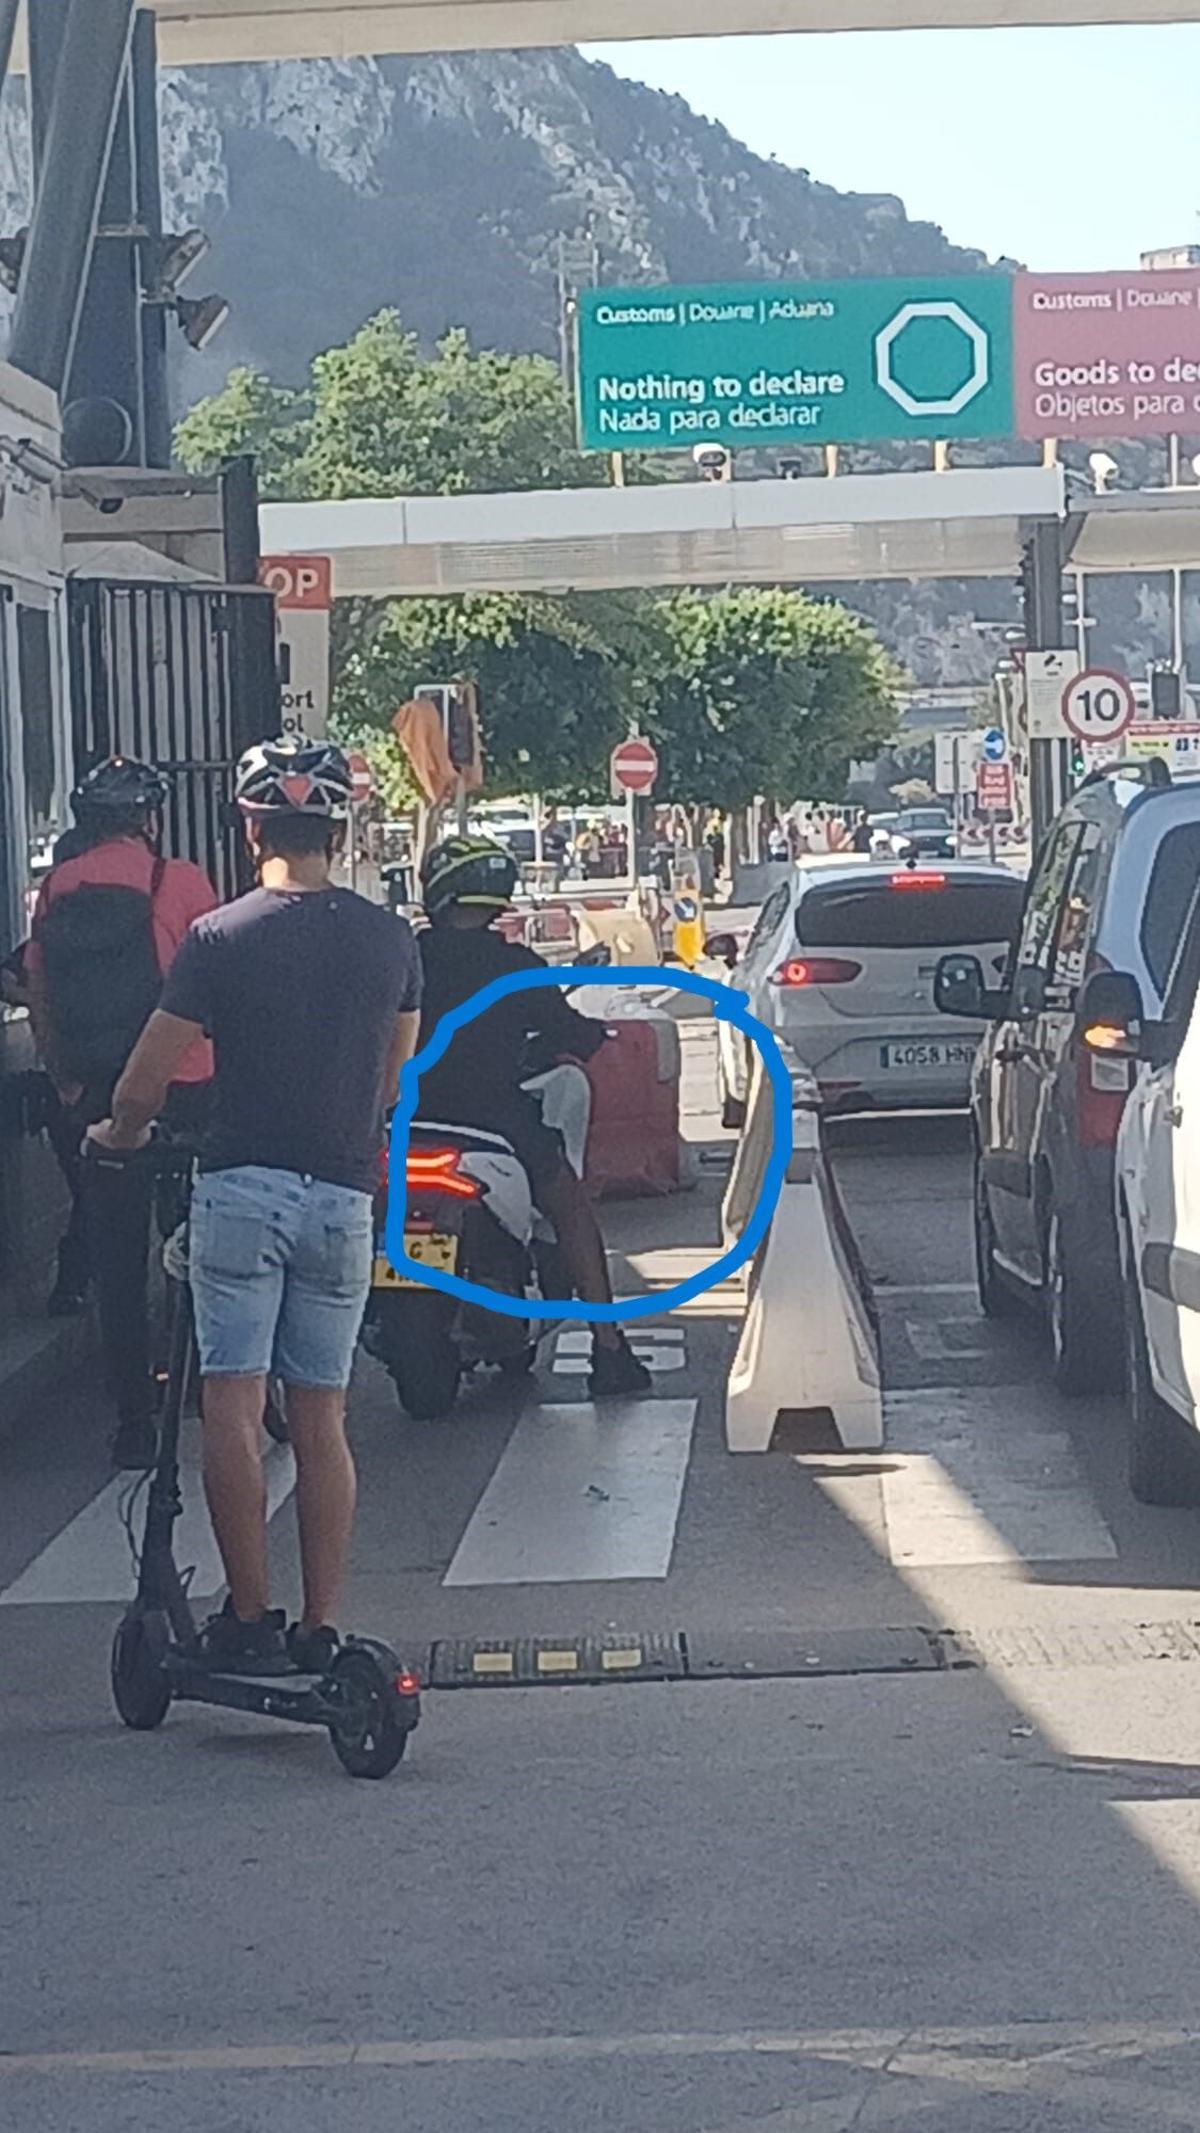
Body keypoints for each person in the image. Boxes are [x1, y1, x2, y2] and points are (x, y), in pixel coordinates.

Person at [88, 738, 422, 1675]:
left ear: (250, 828)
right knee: (323, 1417)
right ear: (339, 826)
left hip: (242, 1188)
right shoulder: (388, 937)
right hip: (341, 1197)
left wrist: (117, 1134)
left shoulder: (219, 936)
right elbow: (394, 1072)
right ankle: (322, 1624)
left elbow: (146, 1077)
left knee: (232, 1403)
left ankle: (249, 1612)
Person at [24, 758, 217, 1462]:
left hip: (99, 1094)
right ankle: (207, 1380)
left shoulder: (55, 890)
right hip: (186, 1083)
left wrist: (66, 1078)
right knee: (205, 1238)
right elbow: (215, 982)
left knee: (115, 1255)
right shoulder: (182, 881)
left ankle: (134, 1419)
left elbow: (40, 994)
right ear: (148, 819)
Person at [414, 834, 653, 1398]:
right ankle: (610, 1349)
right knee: (569, 1206)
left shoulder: (403, 957)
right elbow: (574, 1034)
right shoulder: (515, 967)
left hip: (400, 1121)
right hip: (493, 1122)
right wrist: (589, 1034)